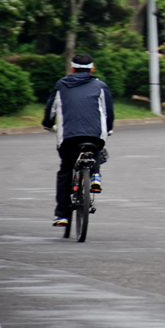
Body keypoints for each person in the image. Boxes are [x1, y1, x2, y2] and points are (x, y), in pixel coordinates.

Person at [42, 53, 114, 227]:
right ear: (92, 69)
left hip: (69, 137)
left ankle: (62, 216)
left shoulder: (61, 85)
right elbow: (108, 112)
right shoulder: (100, 86)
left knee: (66, 170)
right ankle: (95, 176)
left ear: (72, 69)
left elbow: (50, 110)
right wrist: (109, 128)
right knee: (96, 146)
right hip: (94, 135)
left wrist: (48, 124)